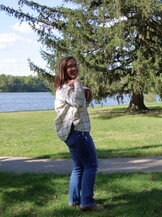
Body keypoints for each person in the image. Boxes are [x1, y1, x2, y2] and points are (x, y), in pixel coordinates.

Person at [53, 56, 103, 212]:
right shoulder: (67, 87)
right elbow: (77, 102)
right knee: (91, 165)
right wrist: (79, 85)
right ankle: (87, 202)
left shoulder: (68, 87)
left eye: (75, 65)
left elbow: (79, 106)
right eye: (69, 67)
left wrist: (87, 94)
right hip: (77, 131)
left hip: (72, 132)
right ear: (63, 70)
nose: (73, 69)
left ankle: (74, 200)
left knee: (79, 167)